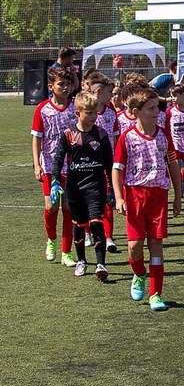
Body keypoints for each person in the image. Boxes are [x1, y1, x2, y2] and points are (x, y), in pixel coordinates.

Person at [112, 88, 182, 312]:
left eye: (157, 107)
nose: (157, 112)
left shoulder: (164, 135)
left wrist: (178, 196)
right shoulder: (127, 137)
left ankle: (156, 294)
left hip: (158, 196)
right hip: (134, 196)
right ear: (135, 112)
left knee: (156, 245)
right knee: (134, 248)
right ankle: (139, 274)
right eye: (151, 109)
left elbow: (172, 164)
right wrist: (119, 196)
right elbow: (117, 169)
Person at [50, 92, 113, 280]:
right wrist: (54, 181)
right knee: (79, 225)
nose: (94, 115)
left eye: (95, 111)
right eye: (89, 112)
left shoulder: (101, 134)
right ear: (77, 112)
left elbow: (109, 163)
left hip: (96, 187)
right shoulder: (68, 134)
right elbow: (58, 158)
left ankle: (101, 264)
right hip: (74, 188)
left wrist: (114, 190)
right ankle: (82, 261)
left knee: (96, 223)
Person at [31, 66, 77, 266]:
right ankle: (51, 240)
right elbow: (36, 138)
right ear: (51, 86)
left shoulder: (75, 107)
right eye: (61, 84)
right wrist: (36, 164)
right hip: (50, 165)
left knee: (68, 207)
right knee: (51, 206)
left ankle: (66, 252)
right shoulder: (42, 109)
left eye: (67, 84)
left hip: (72, 165)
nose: (65, 88)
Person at [88, 72, 120, 253]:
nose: (112, 97)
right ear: (99, 92)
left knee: (108, 200)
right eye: (110, 93)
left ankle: (108, 237)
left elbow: (115, 137)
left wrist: (115, 160)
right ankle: (86, 232)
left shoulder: (111, 112)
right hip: (87, 165)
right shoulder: (85, 111)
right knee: (87, 200)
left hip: (107, 164)